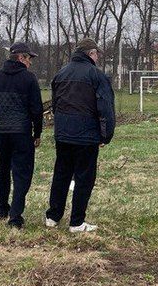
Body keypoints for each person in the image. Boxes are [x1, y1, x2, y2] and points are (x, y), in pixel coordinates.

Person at [45, 38, 115, 233]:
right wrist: (105, 135)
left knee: (61, 174)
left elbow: (55, 104)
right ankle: (77, 222)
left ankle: (53, 216)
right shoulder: (96, 76)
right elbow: (106, 108)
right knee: (84, 178)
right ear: (91, 53)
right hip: (86, 135)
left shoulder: (61, 73)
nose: (98, 57)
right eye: (97, 54)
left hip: (63, 133)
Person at [0, 42, 45, 229]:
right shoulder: (29, 79)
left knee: (3, 170)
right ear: (21, 57)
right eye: (29, 58)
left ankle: (2, 209)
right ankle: (15, 217)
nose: (31, 63)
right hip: (21, 133)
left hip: (1, 132)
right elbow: (36, 109)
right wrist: (37, 132)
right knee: (22, 174)